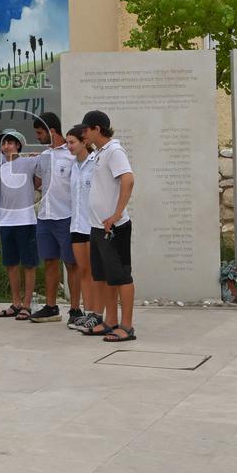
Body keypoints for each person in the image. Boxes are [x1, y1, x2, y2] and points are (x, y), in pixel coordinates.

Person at [80, 110, 136, 342]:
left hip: (113, 227)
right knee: (103, 276)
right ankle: (110, 321)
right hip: (97, 226)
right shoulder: (99, 153)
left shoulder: (114, 151)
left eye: (85, 129)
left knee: (121, 276)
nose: (83, 133)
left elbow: (128, 179)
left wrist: (116, 214)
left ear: (97, 129)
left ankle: (127, 326)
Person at [30, 113, 80, 325]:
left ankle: (76, 310)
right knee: (50, 261)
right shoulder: (44, 156)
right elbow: (38, 183)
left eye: (40, 133)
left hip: (66, 216)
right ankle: (51, 307)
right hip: (45, 216)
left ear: (51, 131)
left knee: (71, 264)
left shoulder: (72, 155)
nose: (38, 137)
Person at [0, 129, 39, 321]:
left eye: (11, 142)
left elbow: (41, 176)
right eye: (4, 143)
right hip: (6, 221)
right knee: (11, 264)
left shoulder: (29, 162)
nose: (7, 146)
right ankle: (15, 303)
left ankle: (27, 305)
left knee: (29, 264)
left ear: (18, 145)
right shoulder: (0, 167)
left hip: (26, 220)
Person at [66, 125, 104, 333]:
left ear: (84, 142)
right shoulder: (73, 165)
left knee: (95, 272)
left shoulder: (96, 162)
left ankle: (98, 314)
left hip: (93, 224)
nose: (68, 146)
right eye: (67, 142)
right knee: (83, 271)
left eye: (72, 142)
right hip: (76, 225)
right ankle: (88, 312)